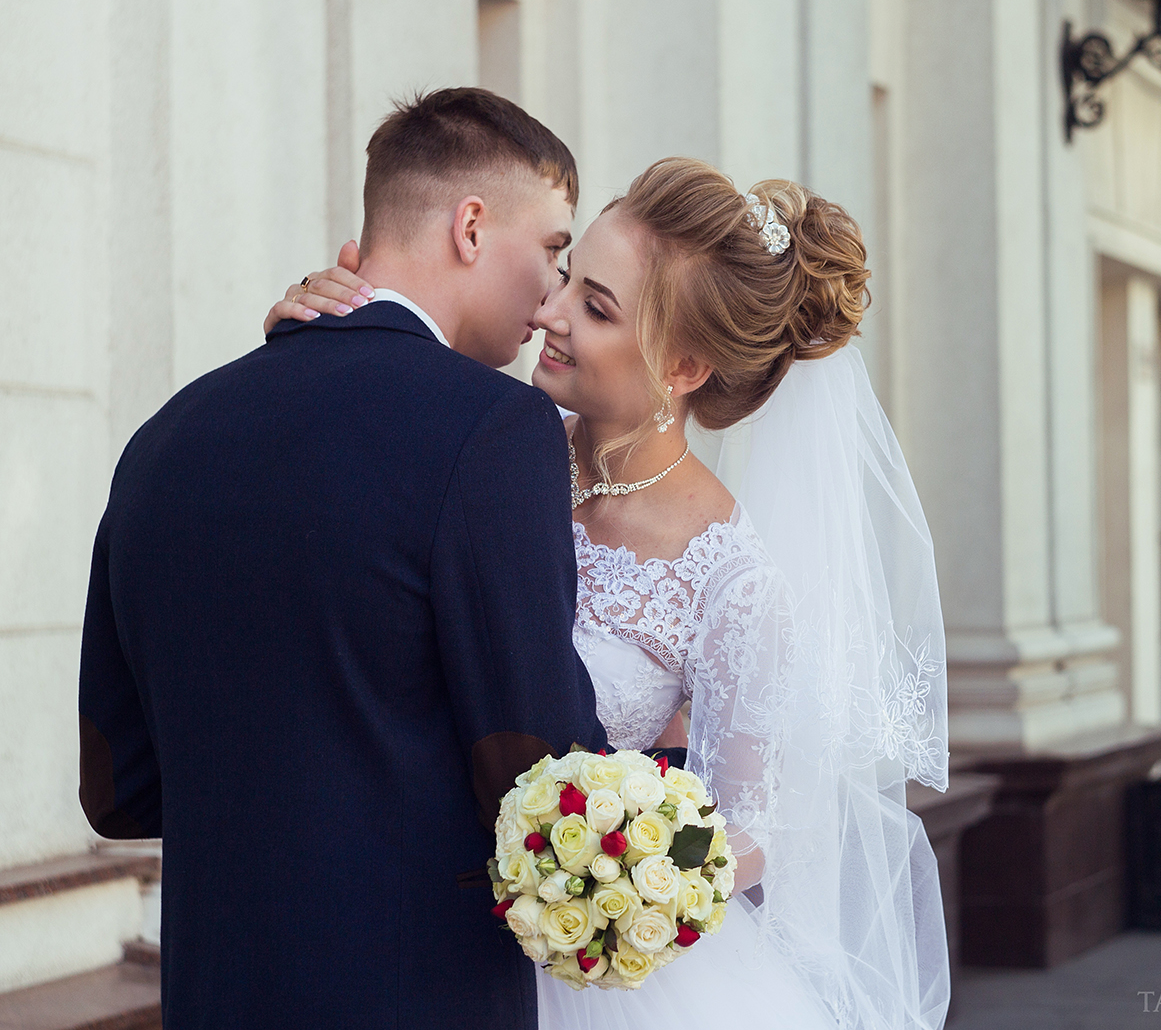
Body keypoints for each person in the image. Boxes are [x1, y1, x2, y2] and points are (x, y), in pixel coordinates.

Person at [271, 152, 952, 1030]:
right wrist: (310, 337)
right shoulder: (481, 450)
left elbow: (762, 825)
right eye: (566, 278)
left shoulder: (731, 581)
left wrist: (627, 874)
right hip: (385, 920)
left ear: (685, 367)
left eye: (595, 307)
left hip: (583, 969)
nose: (547, 314)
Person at [78, 88, 608, 1030]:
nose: (554, 296)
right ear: (472, 226)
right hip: (417, 990)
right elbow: (539, 767)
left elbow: (116, 789)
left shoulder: (166, 435)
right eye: (556, 250)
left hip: (211, 987)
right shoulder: (494, 428)